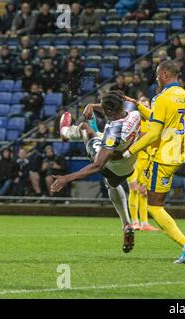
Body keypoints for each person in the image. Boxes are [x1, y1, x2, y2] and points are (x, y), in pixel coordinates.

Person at [122, 61, 185, 264]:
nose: (156, 78)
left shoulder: (163, 97)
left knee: (155, 207)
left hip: (163, 156)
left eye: (158, 74)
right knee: (153, 201)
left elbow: (155, 131)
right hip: (178, 153)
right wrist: (138, 106)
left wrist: (130, 150)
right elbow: (162, 119)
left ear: (164, 74)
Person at [52, 91, 143, 253]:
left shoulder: (113, 132)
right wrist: (92, 106)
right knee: (111, 184)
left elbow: (98, 165)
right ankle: (127, 224)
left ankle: (65, 133)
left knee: (85, 128)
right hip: (129, 164)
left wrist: (67, 178)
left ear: (109, 111)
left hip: (112, 166)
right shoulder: (134, 114)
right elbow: (115, 108)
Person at [126, 97, 159, 232]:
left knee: (144, 192)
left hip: (147, 161)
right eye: (142, 106)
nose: (144, 108)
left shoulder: (154, 123)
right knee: (133, 189)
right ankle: (134, 222)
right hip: (133, 161)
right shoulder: (134, 122)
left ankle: (144, 223)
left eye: (147, 105)